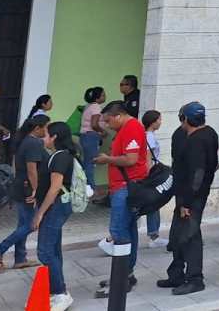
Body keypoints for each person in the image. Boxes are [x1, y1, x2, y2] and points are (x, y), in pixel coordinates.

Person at [155, 102, 217, 296]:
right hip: (184, 192)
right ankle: (176, 273)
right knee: (178, 233)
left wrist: (187, 202)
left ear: (186, 119)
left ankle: (195, 278)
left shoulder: (199, 139)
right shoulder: (188, 134)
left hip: (192, 195)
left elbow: (199, 173)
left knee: (190, 235)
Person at [91, 101, 147, 298]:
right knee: (128, 229)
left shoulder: (132, 128)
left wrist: (107, 159)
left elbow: (131, 159)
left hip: (126, 187)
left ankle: (121, 278)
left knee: (118, 230)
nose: (106, 125)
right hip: (123, 186)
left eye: (108, 121)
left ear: (118, 115)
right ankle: (126, 274)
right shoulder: (126, 128)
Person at [0, 114, 48, 271]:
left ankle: (20, 258)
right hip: (28, 188)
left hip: (21, 186)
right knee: (30, 225)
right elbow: (32, 169)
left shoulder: (25, 141)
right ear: (37, 128)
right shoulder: (33, 143)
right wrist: (35, 190)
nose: (47, 131)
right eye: (46, 127)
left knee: (24, 223)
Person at [31, 121, 77, 310]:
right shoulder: (62, 155)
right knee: (53, 249)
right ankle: (57, 290)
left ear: (55, 137)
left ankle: (60, 293)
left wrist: (40, 213)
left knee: (45, 251)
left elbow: (55, 188)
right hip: (57, 206)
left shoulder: (59, 157)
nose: (44, 139)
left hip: (55, 207)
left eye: (46, 135)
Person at [140, 110, 167, 249]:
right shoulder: (149, 137)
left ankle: (154, 235)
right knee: (151, 204)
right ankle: (154, 236)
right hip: (150, 175)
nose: (160, 122)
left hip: (148, 174)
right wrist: (149, 175)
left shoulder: (145, 135)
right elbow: (147, 158)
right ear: (153, 122)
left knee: (150, 205)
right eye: (159, 119)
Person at [79, 87, 107, 201]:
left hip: (86, 136)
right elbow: (94, 124)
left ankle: (88, 188)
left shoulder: (88, 106)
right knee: (90, 163)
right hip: (91, 136)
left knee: (87, 163)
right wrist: (103, 131)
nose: (105, 97)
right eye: (103, 95)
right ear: (98, 97)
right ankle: (91, 190)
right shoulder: (96, 107)